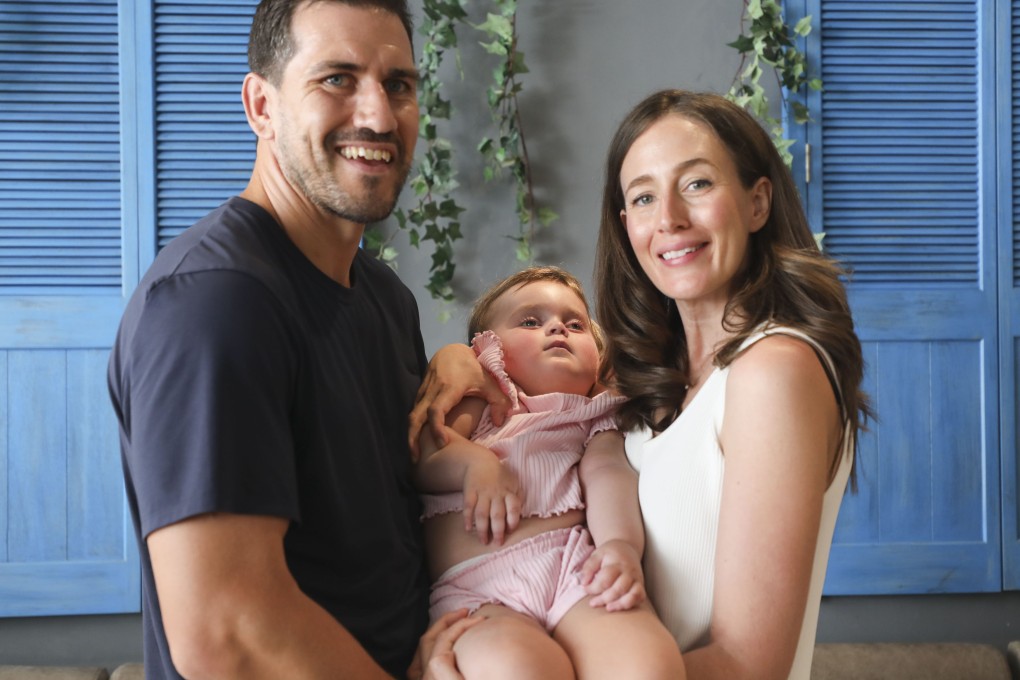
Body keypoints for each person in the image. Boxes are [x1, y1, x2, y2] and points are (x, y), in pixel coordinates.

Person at [411, 89, 869, 680]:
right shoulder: (638, 387)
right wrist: (462, 357)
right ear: (627, 226)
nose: (669, 218)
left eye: (698, 184)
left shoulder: (772, 369)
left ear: (757, 203)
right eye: (645, 196)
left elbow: (752, 666)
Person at [107, 1, 476, 678]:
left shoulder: (384, 298)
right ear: (261, 106)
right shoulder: (216, 302)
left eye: (399, 85)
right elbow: (228, 634)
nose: (378, 116)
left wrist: (467, 362)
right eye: (337, 78)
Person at [415, 266, 684, 680]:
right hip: (480, 590)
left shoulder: (594, 415)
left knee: (646, 664)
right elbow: (425, 456)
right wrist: (476, 463)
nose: (557, 328)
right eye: (530, 321)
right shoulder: (485, 400)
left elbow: (608, 477)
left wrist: (620, 545)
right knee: (517, 668)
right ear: (489, 349)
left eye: (575, 324)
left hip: (573, 570)